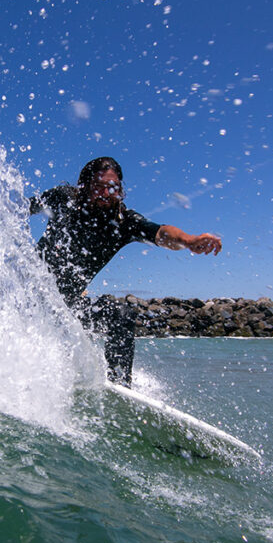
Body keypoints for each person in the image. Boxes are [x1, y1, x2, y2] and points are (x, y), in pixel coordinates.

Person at [27, 156, 222, 387]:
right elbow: (17, 208)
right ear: (85, 186)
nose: (107, 193)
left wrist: (188, 240)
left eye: (113, 187)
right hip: (26, 296)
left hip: (65, 308)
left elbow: (160, 232)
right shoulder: (63, 199)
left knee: (120, 314)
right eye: (99, 187)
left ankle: (119, 385)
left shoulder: (123, 223)